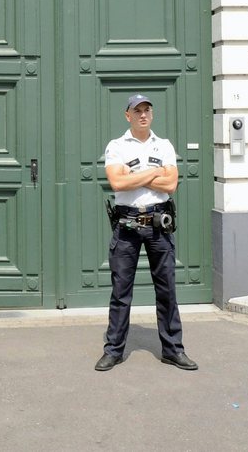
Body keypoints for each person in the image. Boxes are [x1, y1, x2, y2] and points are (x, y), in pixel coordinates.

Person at [95, 94, 198, 372]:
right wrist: (154, 174)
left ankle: (173, 350)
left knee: (167, 290)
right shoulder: (116, 146)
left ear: (151, 114)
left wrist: (136, 176)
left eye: (147, 110)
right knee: (120, 292)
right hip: (127, 225)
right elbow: (117, 182)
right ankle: (114, 350)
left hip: (158, 225)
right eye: (137, 110)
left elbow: (172, 184)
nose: (143, 114)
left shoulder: (163, 145)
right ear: (127, 115)